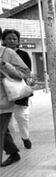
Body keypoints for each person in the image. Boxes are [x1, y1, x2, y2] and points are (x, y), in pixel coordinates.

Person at [0, 33, 31, 167]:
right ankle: (13, 153)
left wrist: (4, 65)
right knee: (3, 130)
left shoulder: (8, 53)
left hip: (3, 98)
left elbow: (25, 72)